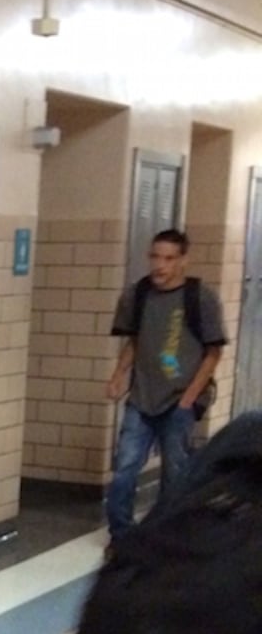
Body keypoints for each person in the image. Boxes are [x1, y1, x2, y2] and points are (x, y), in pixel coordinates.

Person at [104, 228, 226, 547]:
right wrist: (119, 373)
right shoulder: (137, 295)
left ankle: (167, 535)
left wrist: (188, 398)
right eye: (155, 257)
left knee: (176, 473)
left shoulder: (200, 297)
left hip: (180, 400)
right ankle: (121, 535)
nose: (160, 265)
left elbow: (213, 352)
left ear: (183, 261)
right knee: (124, 472)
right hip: (142, 398)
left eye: (169, 259)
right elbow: (135, 340)